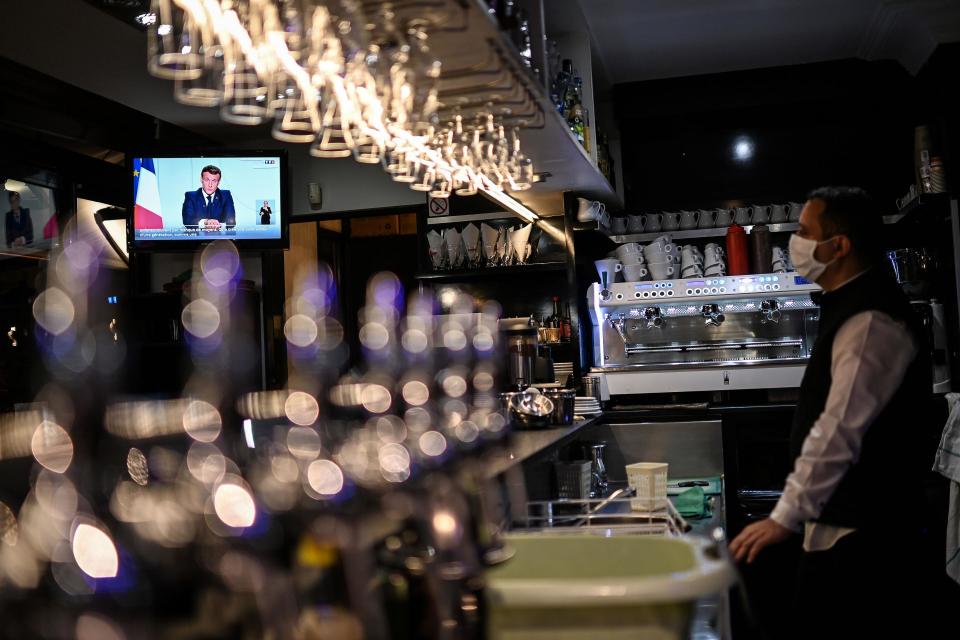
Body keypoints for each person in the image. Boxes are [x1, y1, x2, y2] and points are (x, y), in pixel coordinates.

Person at [728, 186, 933, 638]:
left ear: (838, 246)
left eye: (804, 232)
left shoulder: (872, 321)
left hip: (866, 541)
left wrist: (783, 517)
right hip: (842, 526)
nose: (794, 243)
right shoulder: (852, 304)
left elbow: (838, 431)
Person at [182, 165, 236, 230]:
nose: (210, 185)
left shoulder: (226, 195)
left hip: (219, 238)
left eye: (214, 181)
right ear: (201, 179)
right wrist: (206, 222)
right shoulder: (190, 196)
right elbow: (187, 221)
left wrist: (215, 224)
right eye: (207, 180)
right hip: (197, 238)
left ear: (218, 182)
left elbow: (231, 222)